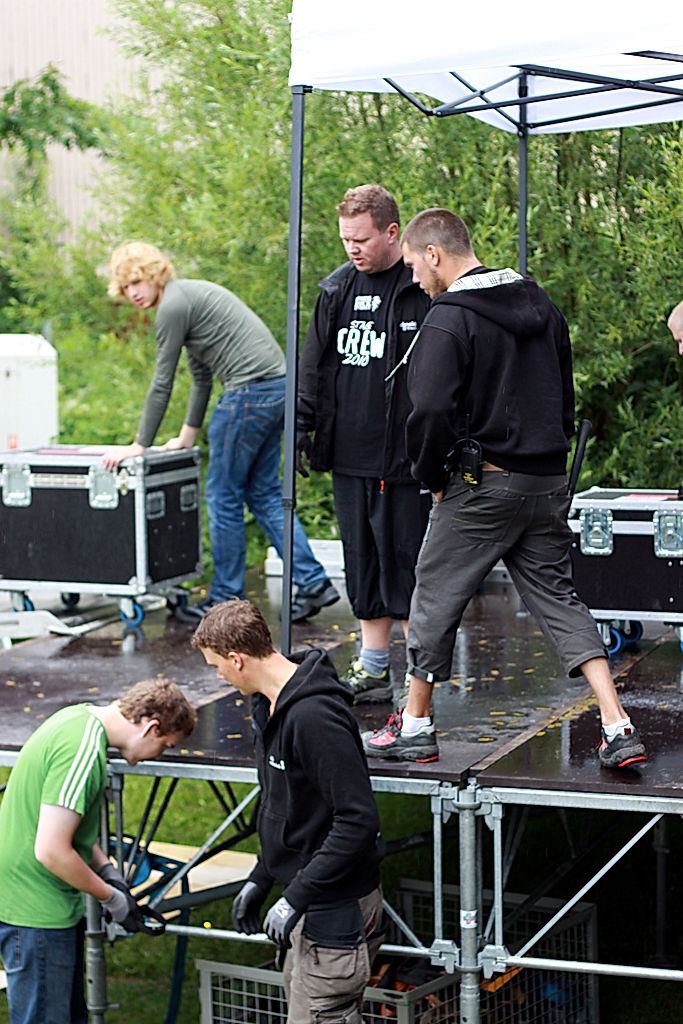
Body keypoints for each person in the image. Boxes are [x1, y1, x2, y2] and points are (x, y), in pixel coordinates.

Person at [362, 207, 647, 771]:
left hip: (481, 486)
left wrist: (431, 478)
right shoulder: (543, 307)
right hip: (545, 484)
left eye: (417, 265)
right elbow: (564, 395)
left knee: (434, 594)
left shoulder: (448, 317)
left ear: (436, 254)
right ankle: (618, 725)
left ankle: (415, 725)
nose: (415, 279)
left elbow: (430, 409)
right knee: (561, 603)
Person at [104, 242, 339, 622]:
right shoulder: (188, 298)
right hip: (277, 389)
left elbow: (162, 382)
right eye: (125, 287)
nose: (133, 293)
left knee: (223, 496)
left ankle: (225, 598)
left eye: (137, 281)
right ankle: (313, 582)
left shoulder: (173, 306)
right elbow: (200, 377)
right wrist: (187, 435)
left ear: (153, 274)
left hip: (249, 394)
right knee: (263, 494)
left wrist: (139, 445)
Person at [192, 599, 385, 1024]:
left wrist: (294, 897)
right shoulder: (268, 704)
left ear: (236, 659)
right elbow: (288, 809)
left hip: (335, 908)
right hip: (307, 902)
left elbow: (357, 820)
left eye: (215, 666)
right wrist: (263, 877)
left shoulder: (314, 716)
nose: (217, 676)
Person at [297, 185, 431, 701]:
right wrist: (304, 432)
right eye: (345, 238)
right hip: (350, 455)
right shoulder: (336, 290)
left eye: (362, 238)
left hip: (404, 459)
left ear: (392, 232)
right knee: (363, 564)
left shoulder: (421, 286)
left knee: (407, 568)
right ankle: (373, 669)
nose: (352, 248)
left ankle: (418, 685)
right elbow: (312, 367)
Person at [0, 678, 196, 1024]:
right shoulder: (83, 752)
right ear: (151, 727)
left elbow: (64, 827)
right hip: (35, 911)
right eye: (164, 745)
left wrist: (108, 870)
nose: (158, 756)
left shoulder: (77, 720)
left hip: (35, 903)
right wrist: (111, 898)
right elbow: (51, 850)